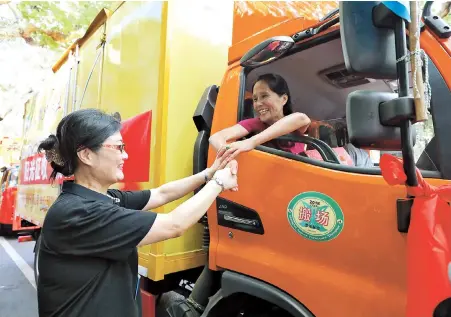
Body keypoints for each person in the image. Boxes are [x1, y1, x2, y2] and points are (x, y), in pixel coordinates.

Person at [36, 108, 238, 317]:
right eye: (118, 147)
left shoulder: (104, 198)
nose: (125, 155)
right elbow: (174, 225)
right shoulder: (77, 212)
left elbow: (161, 193)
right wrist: (219, 183)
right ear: (86, 154)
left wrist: (208, 174)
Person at [209, 73, 311, 158]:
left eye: (264, 96)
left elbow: (302, 118)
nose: (257, 104)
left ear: (283, 99)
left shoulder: (294, 125)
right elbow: (215, 137)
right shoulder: (256, 123)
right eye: (255, 99)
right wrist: (228, 157)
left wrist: (251, 142)